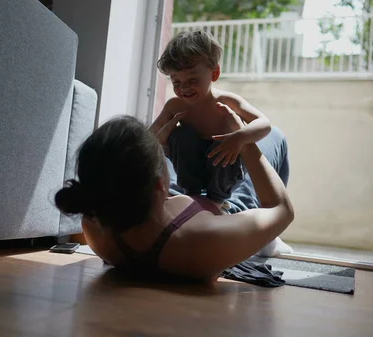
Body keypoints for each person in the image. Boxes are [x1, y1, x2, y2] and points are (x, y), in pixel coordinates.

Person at [55, 107, 294, 281]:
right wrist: (243, 137)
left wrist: (152, 150)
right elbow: (281, 210)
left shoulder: (98, 228)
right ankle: (267, 239)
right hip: (224, 209)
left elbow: (117, 176)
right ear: (159, 186)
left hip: (172, 210)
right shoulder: (205, 242)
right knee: (274, 136)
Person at [150, 30, 292, 256]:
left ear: (214, 73)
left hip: (223, 159)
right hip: (192, 167)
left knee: (225, 140)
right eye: (177, 82)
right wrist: (163, 137)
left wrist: (238, 138)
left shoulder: (225, 101)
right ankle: (192, 194)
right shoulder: (175, 106)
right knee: (179, 135)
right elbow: (149, 138)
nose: (184, 88)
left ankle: (217, 200)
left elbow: (264, 124)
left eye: (193, 80)